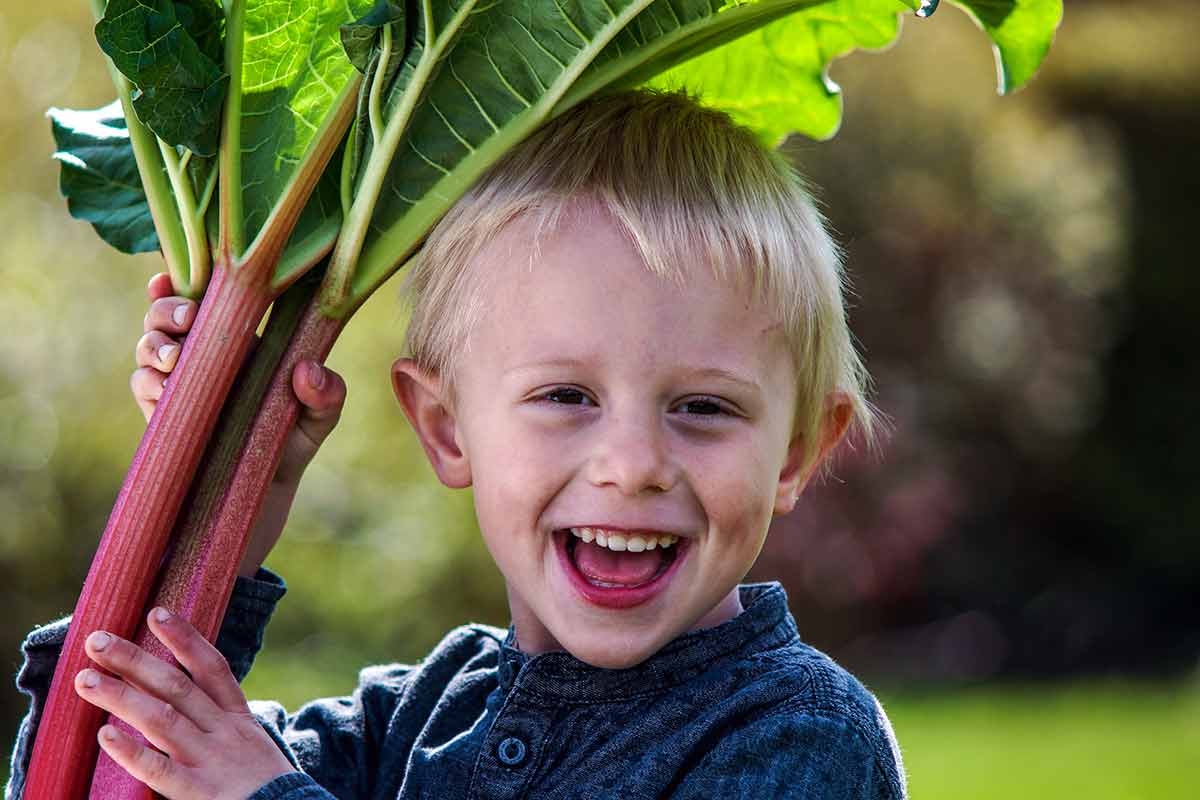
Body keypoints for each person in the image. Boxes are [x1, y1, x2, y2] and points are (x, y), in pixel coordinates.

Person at [8, 89, 906, 799]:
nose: (632, 466)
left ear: (796, 450)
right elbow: (95, 778)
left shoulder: (800, 737)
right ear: (445, 427)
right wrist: (228, 499)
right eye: (566, 396)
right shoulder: (411, 722)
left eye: (704, 408)